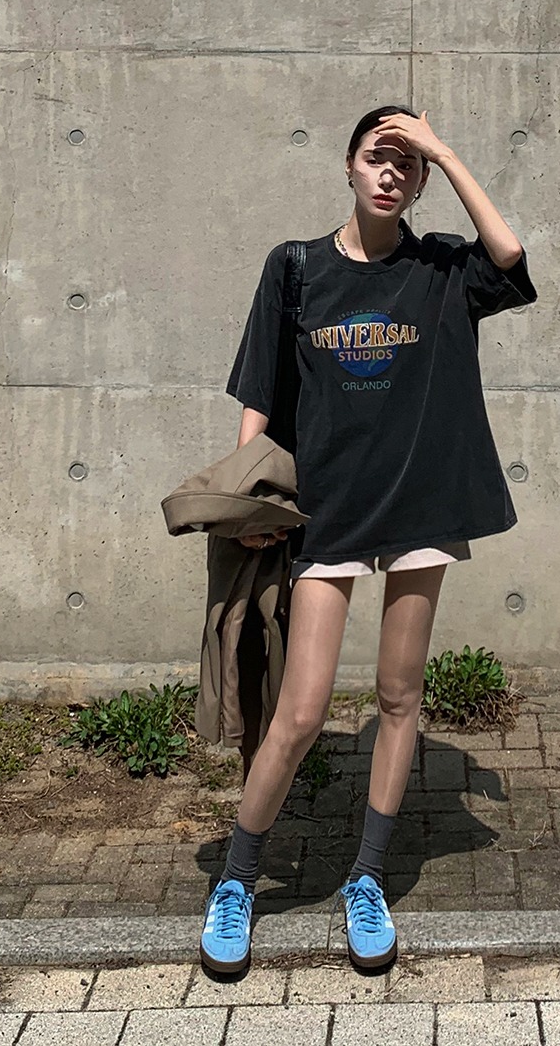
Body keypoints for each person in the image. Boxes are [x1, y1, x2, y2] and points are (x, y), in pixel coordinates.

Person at [200, 104, 536, 975]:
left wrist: (445, 152)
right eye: (378, 157)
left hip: (419, 509)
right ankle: (237, 880)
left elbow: (509, 257)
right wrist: (249, 502)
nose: (391, 173)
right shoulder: (297, 268)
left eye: (407, 163)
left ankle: (368, 877)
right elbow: (261, 392)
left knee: (397, 697)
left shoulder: (441, 269)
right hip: (329, 513)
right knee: (301, 711)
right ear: (347, 167)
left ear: (421, 182)